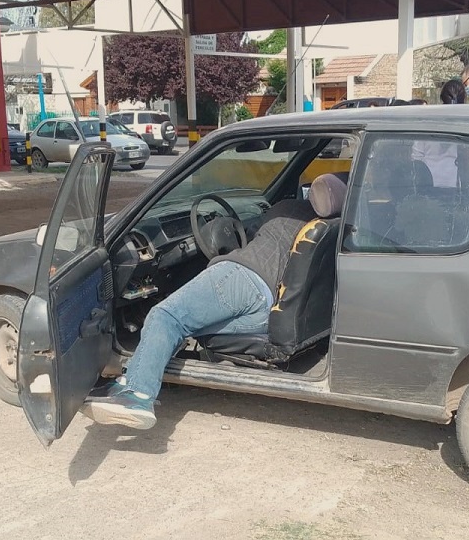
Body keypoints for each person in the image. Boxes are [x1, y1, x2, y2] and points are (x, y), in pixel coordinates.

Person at [79, 174, 344, 429]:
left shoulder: (285, 207)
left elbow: (249, 236)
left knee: (165, 316)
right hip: (270, 303)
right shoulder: (334, 225)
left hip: (244, 276)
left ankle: (137, 396)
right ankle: (134, 376)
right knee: (186, 323)